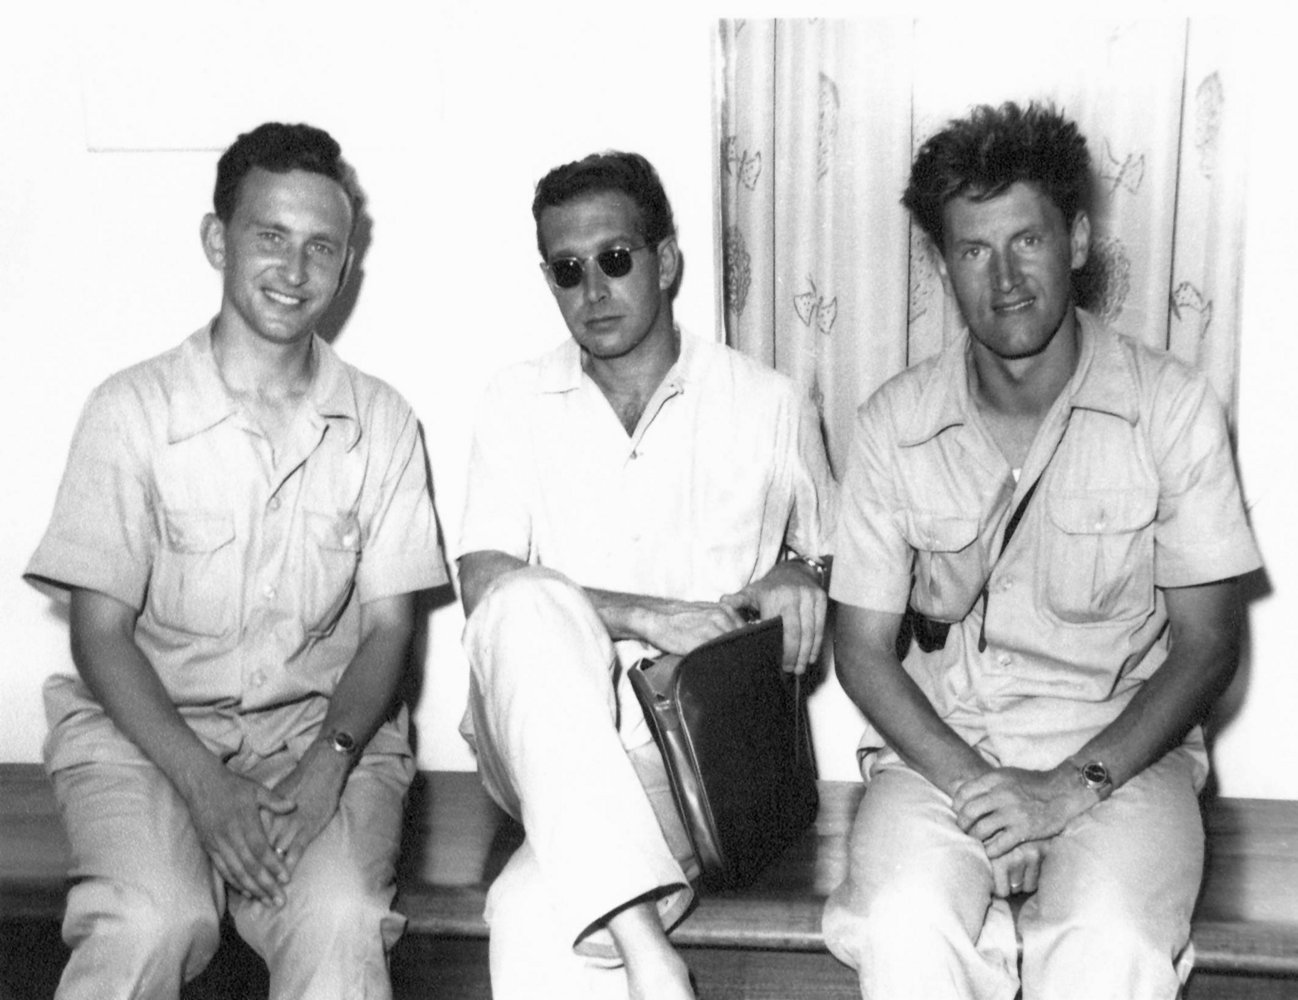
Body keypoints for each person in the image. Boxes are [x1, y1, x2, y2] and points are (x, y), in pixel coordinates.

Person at [822, 101, 1262, 1000]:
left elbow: (1211, 644)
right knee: (902, 924)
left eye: (1027, 240)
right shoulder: (893, 423)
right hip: (941, 762)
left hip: (1121, 762)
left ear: (1079, 240)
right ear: (942, 264)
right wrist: (981, 789)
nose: (1006, 278)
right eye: (974, 250)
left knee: (1110, 941)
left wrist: (1064, 790)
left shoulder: (1170, 407)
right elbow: (861, 651)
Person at [24, 122, 445, 999]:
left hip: (320, 736)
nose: (295, 270)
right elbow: (99, 635)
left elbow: (388, 632)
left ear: (346, 264)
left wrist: (327, 766)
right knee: (152, 921)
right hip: (147, 736)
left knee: (340, 923)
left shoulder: (383, 423)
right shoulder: (131, 410)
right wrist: (205, 789)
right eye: (271, 237)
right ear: (218, 240)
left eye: (321, 247)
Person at [456, 150, 835, 1000]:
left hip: (692, 759)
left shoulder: (769, 403)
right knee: (523, 601)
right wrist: (650, 616)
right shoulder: (514, 400)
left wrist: (798, 573)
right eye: (568, 270)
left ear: (665, 261)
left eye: (616, 258)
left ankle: (641, 951)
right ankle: (650, 954)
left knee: (529, 912)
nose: (593, 289)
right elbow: (482, 583)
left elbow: (819, 556)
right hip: (535, 747)